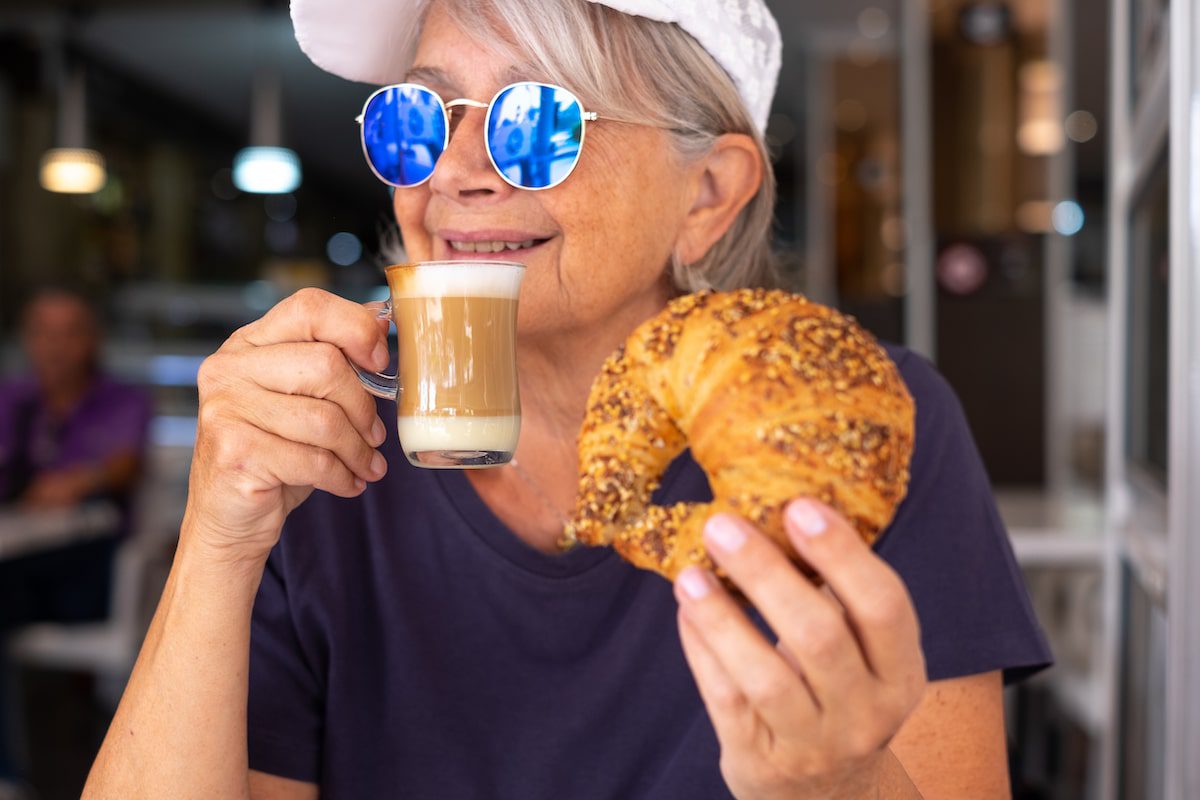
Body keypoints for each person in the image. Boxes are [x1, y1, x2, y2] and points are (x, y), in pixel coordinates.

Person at [85, 0, 1051, 797]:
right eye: (415, 120)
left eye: (537, 123)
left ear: (708, 192)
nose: (454, 176)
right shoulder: (326, 451)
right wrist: (219, 537)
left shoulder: (859, 425)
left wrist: (840, 786)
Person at [0, 287, 152, 789]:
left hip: (92, 570)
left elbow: (125, 465)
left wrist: (79, 481)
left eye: (69, 333)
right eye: (43, 333)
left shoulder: (121, 400)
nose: (54, 346)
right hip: (22, 557)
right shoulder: (15, 400)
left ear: (92, 340)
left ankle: (14, 770)